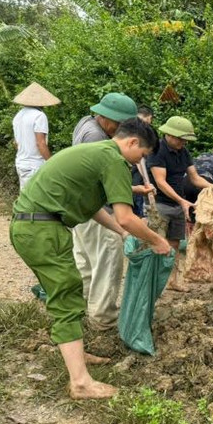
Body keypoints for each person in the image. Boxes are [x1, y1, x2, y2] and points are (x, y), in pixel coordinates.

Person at [9, 118, 171, 400]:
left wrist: (121, 233)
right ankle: (81, 383)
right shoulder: (113, 160)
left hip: (36, 226)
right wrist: (158, 240)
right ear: (132, 143)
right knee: (68, 295)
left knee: (69, 290)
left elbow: (95, 207)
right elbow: (126, 216)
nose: (139, 162)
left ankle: (76, 353)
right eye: (142, 155)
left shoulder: (99, 154)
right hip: (41, 229)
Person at [71, 92, 147, 330]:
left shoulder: (86, 123)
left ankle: (79, 309)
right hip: (98, 211)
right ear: (107, 118)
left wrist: (132, 188)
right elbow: (103, 181)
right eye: (121, 124)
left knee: (84, 263)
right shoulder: (96, 137)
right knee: (107, 262)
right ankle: (103, 318)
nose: (122, 129)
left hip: (81, 208)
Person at [146, 116, 213, 251]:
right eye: (181, 139)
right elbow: (161, 182)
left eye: (185, 140)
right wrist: (181, 200)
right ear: (170, 134)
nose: (183, 142)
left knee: (174, 245)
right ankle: (155, 271)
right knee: (157, 244)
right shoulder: (157, 151)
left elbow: (194, 178)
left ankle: (170, 271)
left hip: (178, 205)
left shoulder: (183, 152)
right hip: (160, 205)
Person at [11, 82, 60, 189]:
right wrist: (51, 163)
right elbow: (40, 143)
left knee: (26, 197)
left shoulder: (18, 116)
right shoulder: (39, 116)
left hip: (21, 162)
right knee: (34, 200)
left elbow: (16, 143)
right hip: (34, 165)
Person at [132, 105, 155, 217]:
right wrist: (147, 181)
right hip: (135, 176)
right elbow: (139, 160)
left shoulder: (129, 125)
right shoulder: (139, 129)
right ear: (149, 117)